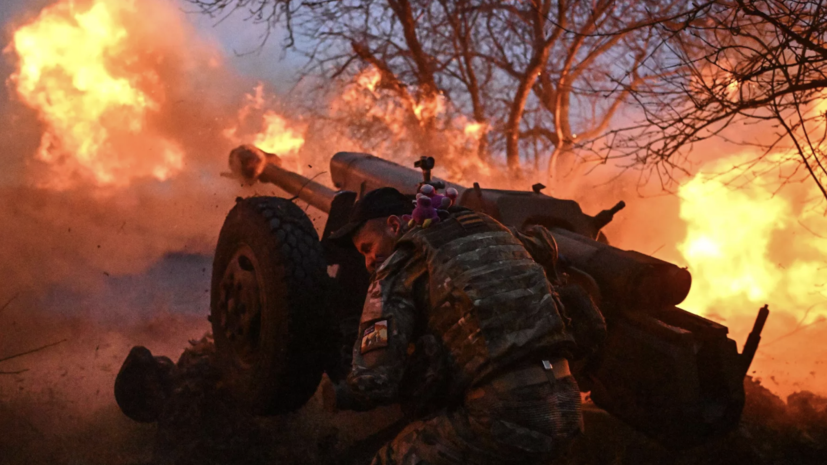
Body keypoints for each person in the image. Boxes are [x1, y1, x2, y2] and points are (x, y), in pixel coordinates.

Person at [327, 187, 605, 465]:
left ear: (392, 225)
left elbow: (375, 381)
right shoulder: (495, 232)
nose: (368, 261)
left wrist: (337, 394)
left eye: (368, 248)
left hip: (503, 411)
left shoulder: (398, 263)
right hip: (566, 404)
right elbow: (544, 245)